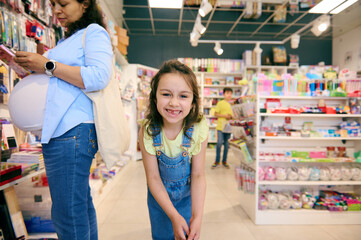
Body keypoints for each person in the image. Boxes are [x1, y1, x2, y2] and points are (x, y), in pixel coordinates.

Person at [14, 0, 113, 239]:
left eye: (64, 3)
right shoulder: (69, 39)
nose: (56, 10)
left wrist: (47, 64)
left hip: (72, 131)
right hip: (63, 131)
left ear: (85, 3)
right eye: (53, 4)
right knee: (77, 205)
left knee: (67, 211)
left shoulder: (94, 33)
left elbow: (100, 76)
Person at [139, 60, 208, 240]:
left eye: (183, 96)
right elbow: (153, 178)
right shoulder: (147, 129)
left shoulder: (199, 127)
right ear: (155, 98)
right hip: (159, 203)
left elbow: (199, 175)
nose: (174, 103)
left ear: (193, 102)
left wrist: (198, 217)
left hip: (187, 201)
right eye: (166, 94)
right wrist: (173, 216)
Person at [212, 87, 234, 169]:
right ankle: (217, 160)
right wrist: (224, 116)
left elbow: (235, 115)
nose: (229, 95)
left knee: (226, 144)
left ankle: (224, 161)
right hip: (220, 127)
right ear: (224, 94)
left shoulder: (233, 104)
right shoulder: (220, 103)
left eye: (230, 93)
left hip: (229, 127)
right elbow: (215, 114)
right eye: (227, 93)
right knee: (219, 144)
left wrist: (231, 117)